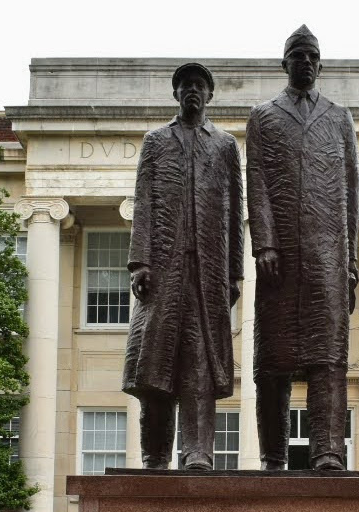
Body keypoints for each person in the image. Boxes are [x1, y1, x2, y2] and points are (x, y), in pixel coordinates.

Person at [246, 24, 359, 471]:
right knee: (271, 360)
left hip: (327, 255)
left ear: (320, 64)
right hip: (280, 258)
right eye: (298, 55)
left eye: (312, 56)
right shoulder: (264, 115)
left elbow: (351, 195)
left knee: (328, 358)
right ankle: (273, 454)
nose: (306, 62)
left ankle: (328, 450)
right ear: (285, 63)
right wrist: (265, 244)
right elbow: (256, 181)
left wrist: (349, 264)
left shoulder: (339, 117)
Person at [122, 62, 243, 470]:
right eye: (185, 85)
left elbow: (235, 213)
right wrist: (139, 261)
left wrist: (234, 273)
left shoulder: (225, 145)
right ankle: (155, 455)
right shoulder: (156, 141)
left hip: (207, 276)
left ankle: (197, 452)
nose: (192, 91)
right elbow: (143, 201)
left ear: (210, 94)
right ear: (176, 94)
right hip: (162, 272)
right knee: (154, 366)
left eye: (199, 85)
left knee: (199, 365)